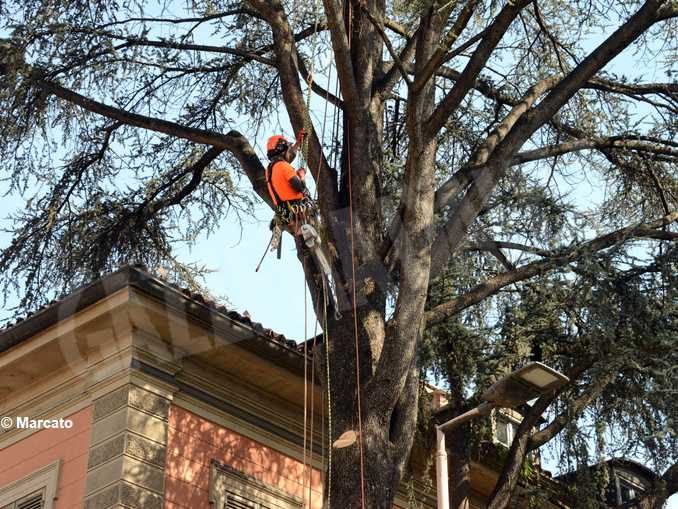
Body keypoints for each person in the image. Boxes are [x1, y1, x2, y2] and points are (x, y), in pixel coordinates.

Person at [265, 130, 315, 236]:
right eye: (288, 149)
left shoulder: (270, 169)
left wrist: (298, 143)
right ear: (283, 151)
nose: (289, 152)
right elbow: (299, 187)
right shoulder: (284, 166)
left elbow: (289, 156)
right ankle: (307, 229)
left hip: (285, 212)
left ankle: (300, 231)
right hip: (297, 208)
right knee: (312, 204)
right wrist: (301, 176)